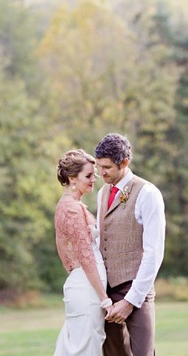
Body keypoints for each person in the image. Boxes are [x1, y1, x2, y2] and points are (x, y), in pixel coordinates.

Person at [95, 133, 165, 356]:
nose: (101, 173)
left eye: (107, 167)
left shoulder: (148, 193)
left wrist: (131, 300)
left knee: (144, 353)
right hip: (107, 293)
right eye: (99, 166)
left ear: (124, 162)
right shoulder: (102, 193)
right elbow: (100, 241)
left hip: (137, 290)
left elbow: (154, 253)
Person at [54, 149, 114, 355]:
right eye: (88, 175)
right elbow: (85, 256)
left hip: (85, 287)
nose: (94, 179)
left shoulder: (74, 205)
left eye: (94, 174)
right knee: (85, 349)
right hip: (88, 291)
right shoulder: (71, 209)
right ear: (72, 178)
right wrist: (104, 298)